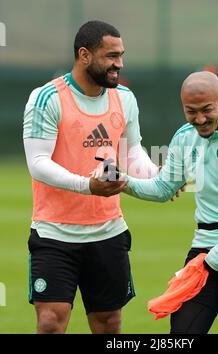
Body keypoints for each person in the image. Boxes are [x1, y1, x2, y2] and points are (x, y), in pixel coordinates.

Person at [23, 20, 159, 334]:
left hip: (108, 232)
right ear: (84, 55)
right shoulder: (47, 98)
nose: (119, 64)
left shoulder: (124, 98)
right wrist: (88, 186)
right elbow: (38, 163)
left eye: (121, 55)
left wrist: (157, 178)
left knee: (109, 323)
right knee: (49, 323)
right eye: (111, 56)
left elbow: (131, 153)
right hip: (55, 233)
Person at [124, 71, 218, 334]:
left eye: (207, 109)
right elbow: (163, 188)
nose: (200, 119)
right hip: (203, 253)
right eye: (191, 111)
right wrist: (122, 182)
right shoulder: (184, 136)